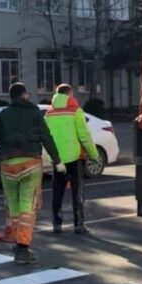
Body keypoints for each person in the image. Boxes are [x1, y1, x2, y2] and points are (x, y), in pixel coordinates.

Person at [0, 82, 64, 264]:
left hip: (7, 166)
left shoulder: (2, 115)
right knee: (28, 206)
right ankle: (23, 247)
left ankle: (17, 238)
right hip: (30, 163)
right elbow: (46, 137)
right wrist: (57, 160)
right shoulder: (34, 113)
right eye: (27, 93)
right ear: (23, 95)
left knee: (13, 204)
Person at [45, 83, 99, 235]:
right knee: (77, 192)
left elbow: (46, 136)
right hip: (74, 158)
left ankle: (57, 224)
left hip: (57, 159)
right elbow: (84, 136)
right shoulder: (75, 112)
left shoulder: (49, 113)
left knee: (57, 192)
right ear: (69, 95)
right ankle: (78, 224)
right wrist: (93, 155)